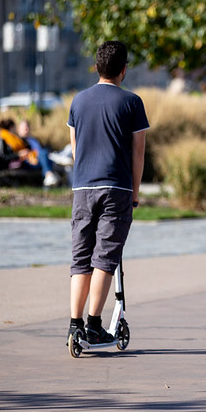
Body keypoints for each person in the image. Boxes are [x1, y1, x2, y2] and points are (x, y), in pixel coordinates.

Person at [66, 41, 149, 345]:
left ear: (96, 67)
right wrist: (135, 193)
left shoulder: (78, 101)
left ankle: (74, 325)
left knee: (81, 257)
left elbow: (75, 149)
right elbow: (138, 153)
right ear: (124, 69)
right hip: (116, 187)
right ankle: (93, 325)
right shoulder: (132, 102)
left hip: (83, 187)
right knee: (104, 257)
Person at [0, 118, 60, 186]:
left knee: (44, 154)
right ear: (11, 127)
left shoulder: (15, 139)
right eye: (15, 127)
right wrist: (19, 155)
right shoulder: (4, 139)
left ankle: (49, 176)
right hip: (19, 163)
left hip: (27, 160)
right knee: (43, 154)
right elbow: (4, 156)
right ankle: (49, 175)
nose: (16, 130)